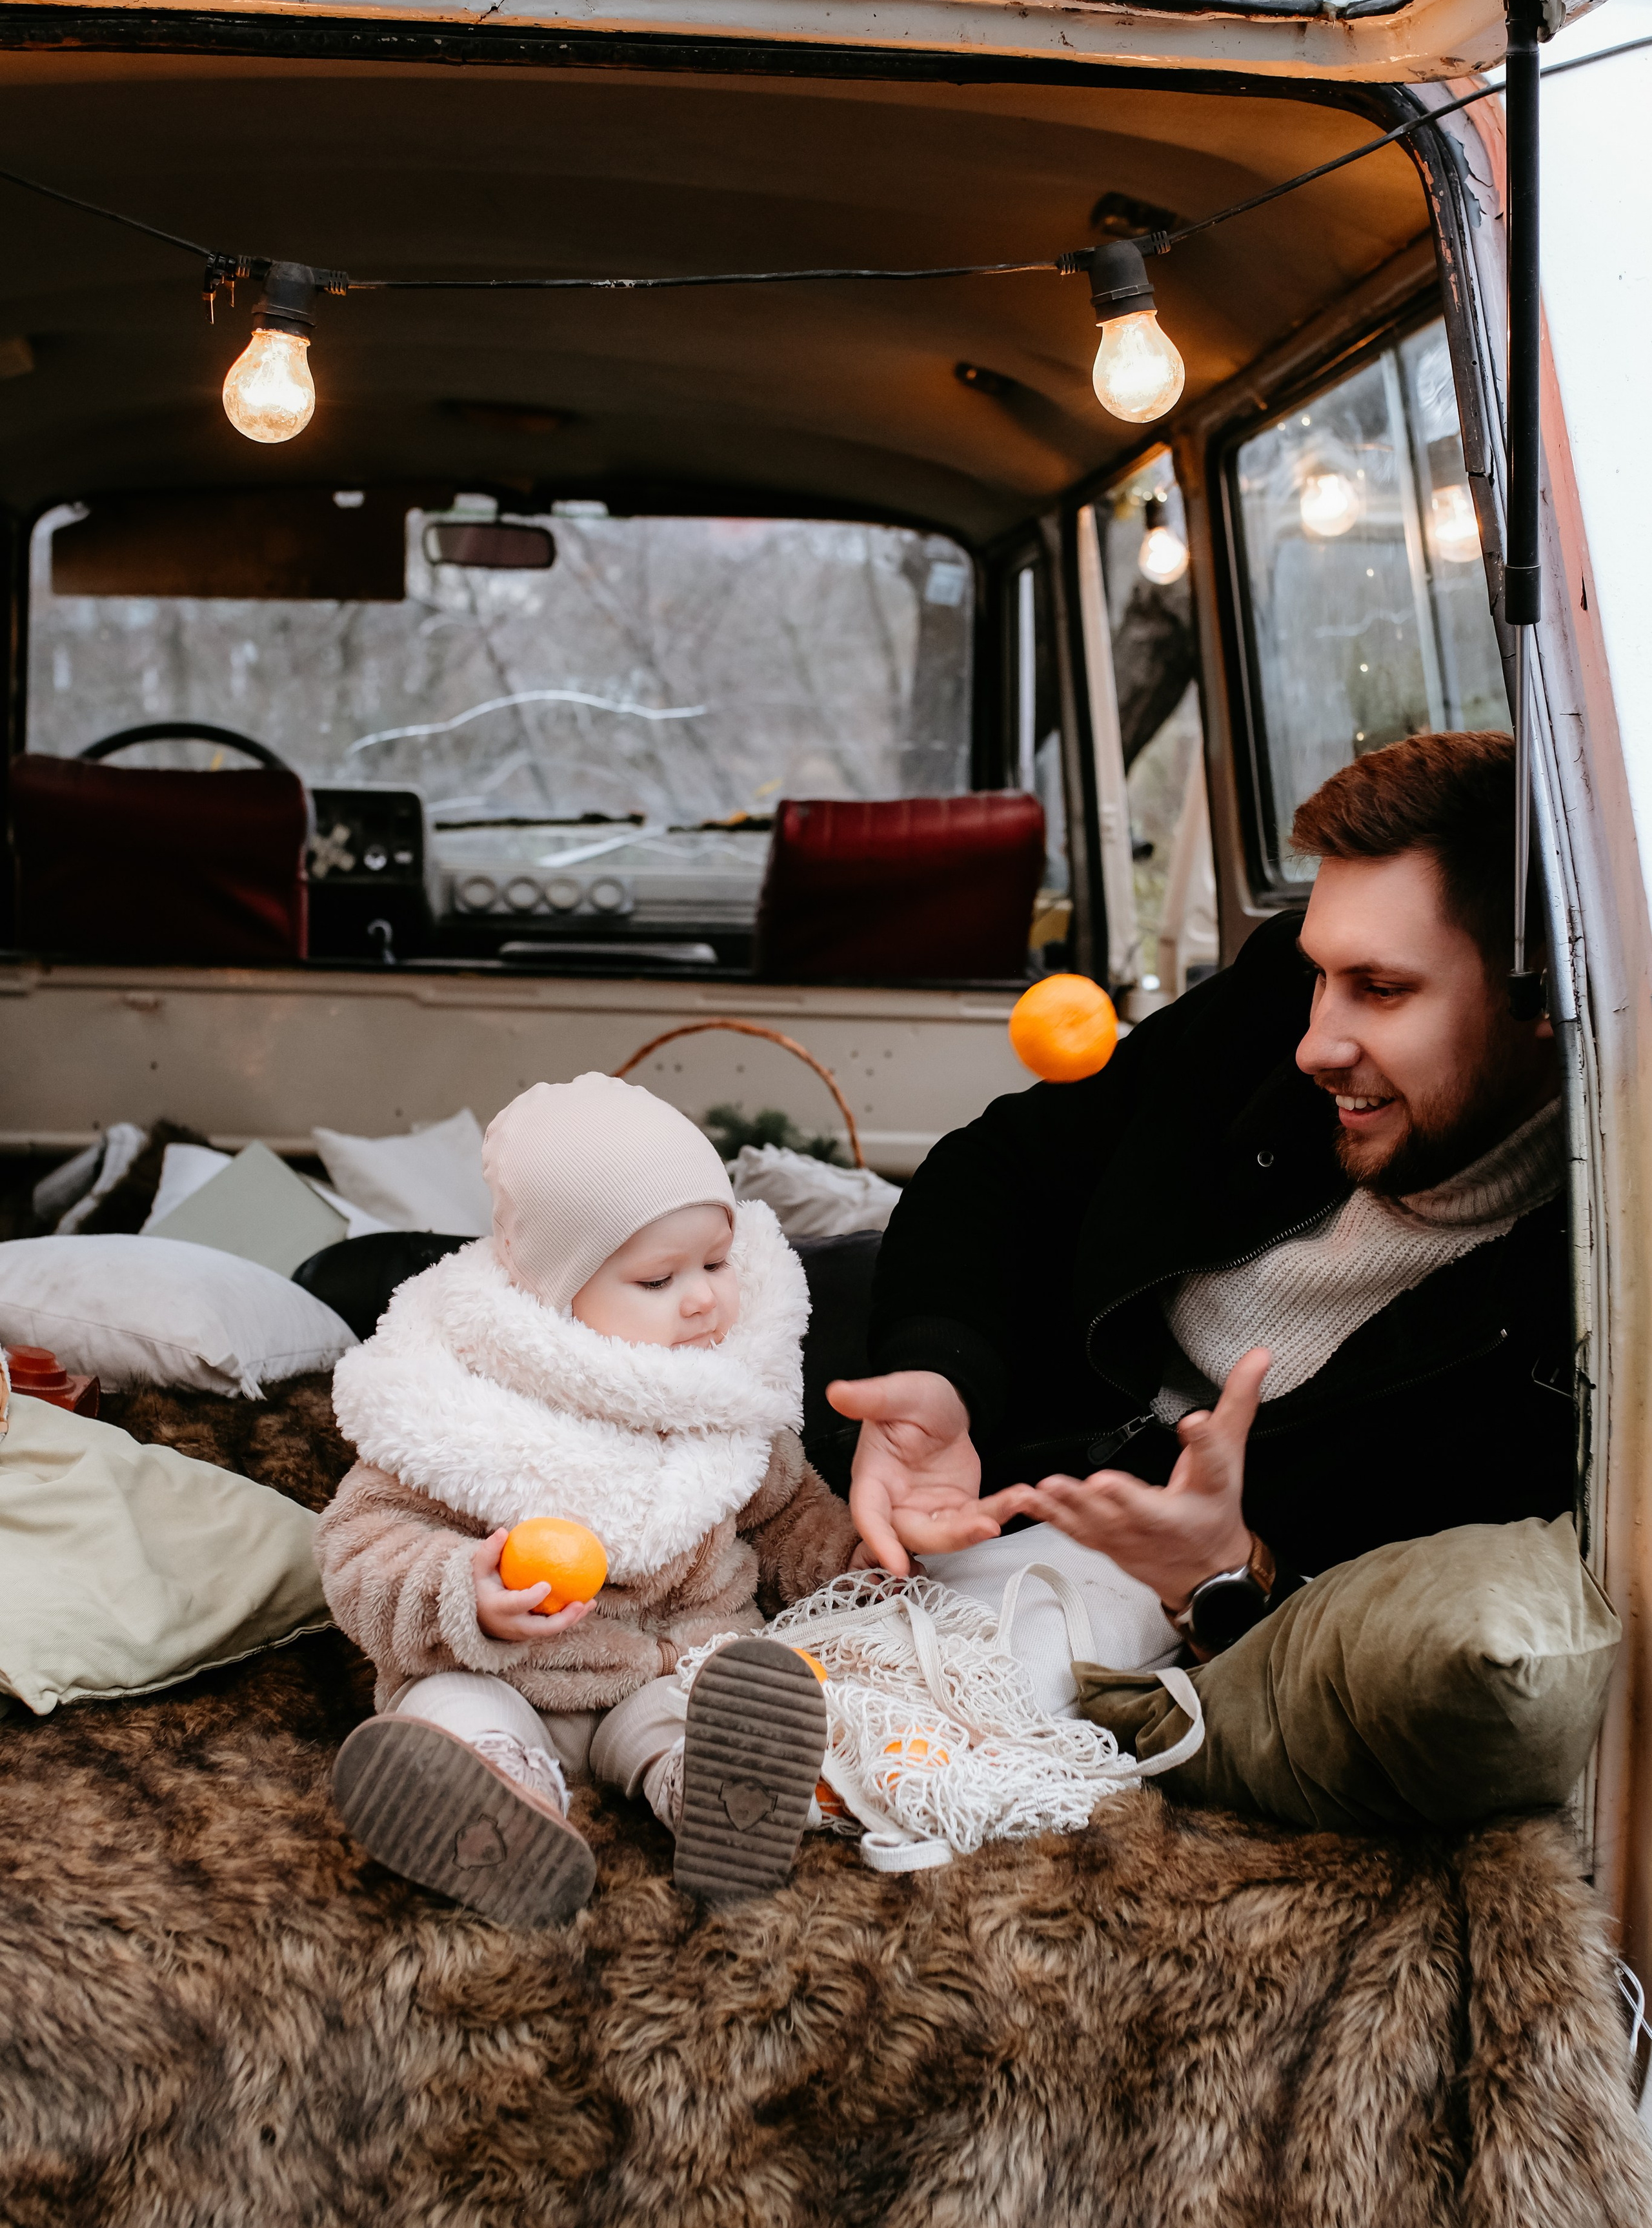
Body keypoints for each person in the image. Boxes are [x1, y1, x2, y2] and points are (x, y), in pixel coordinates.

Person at [830, 731, 1571, 1652]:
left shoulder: (1576, 1317)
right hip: (966, 1424)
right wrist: (943, 1370)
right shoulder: (1271, 1006)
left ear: (1547, 995)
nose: (1314, 1046)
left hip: (1145, 1623)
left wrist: (1227, 1574)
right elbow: (1007, 1164)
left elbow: (1419, 1656)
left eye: (1381, 989)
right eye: (1320, 973)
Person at [318, 1074, 860, 1927]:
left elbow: (788, 1514)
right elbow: (362, 1544)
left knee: (701, 1712)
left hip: (671, 1661)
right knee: (454, 1711)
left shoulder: (719, 1390)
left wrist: (854, 1561)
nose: (703, 1298)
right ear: (554, 1291)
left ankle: (712, 1795)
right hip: (516, 1672)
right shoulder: (464, 1399)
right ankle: (493, 1802)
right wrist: (470, 1593)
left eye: (716, 1263)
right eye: (656, 1279)